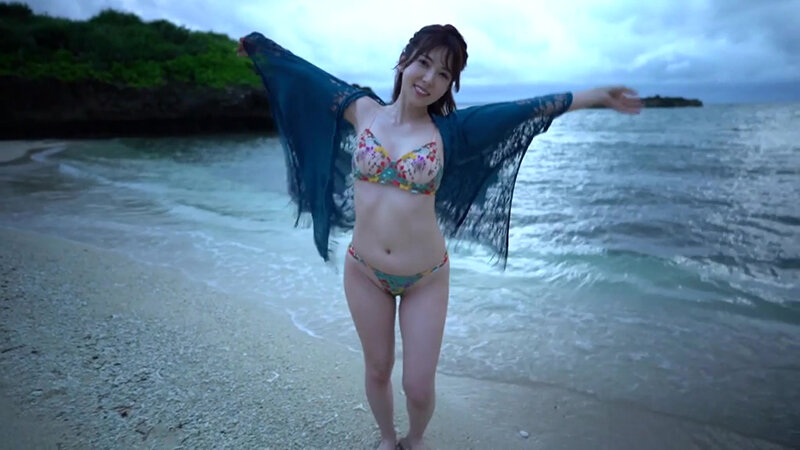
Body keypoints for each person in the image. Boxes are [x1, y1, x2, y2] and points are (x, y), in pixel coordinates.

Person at [238, 24, 640, 450]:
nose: (429, 78)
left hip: (425, 279)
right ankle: (387, 438)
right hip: (364, 271)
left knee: (417, 387)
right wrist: (263, 50)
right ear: (404, 61)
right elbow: (307, 77)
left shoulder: (452, 131)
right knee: (377, 369)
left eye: (444, 74)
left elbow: (525, 109)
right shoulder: (363, 111)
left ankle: (416, 438)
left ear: (451, 84)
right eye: (424, 63)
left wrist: (596, 96)